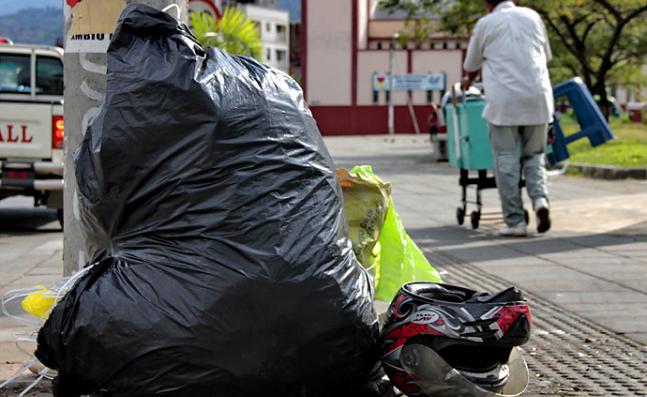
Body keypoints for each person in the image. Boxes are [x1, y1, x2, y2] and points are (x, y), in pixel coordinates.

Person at [462, 0, 553, 237]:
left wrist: (468, 82)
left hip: (505, 103)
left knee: (506, 160)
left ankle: (515, 222)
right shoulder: (533, 16)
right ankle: (540, 200)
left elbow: (471, 64)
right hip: (538, 97)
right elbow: (546, 56)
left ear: (488, 5)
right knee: (535, 156)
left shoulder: (486, 23)